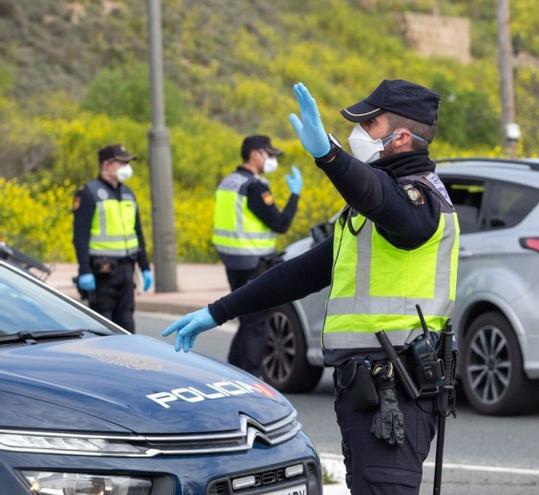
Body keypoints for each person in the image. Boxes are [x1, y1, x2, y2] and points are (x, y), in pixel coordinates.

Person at [163, 79, 459, 494]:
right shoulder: (373, 211)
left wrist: (330, 156)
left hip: (396, 392)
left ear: (402, 137)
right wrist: (219, 311)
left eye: (369, 124)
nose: (359, 134)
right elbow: (298, 274)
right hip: (370, 391)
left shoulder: (420, 201)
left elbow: (387, 202)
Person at [212, 135, 304, 375]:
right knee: (256, 324)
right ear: (255, 154)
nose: (272, 160)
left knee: (246, 319)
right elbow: (280, 223)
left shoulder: (229, 182)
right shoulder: (255, 186)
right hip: (254, 262)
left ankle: (233, 373)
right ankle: (251, 377)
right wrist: (295, 195)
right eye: (269, 154)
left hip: (234, 261)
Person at [72, 144, 151, 332]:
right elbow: (80, 235)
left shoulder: (128, 194)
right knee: (104, 328)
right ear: (106, 165)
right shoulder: (88, 193)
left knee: (126, 325)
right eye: (122, 163)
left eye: (128, 163)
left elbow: (137, 233)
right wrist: (84, 270)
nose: (127, 167)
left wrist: (145, 267)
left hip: (126, 270)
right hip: (101, 272)